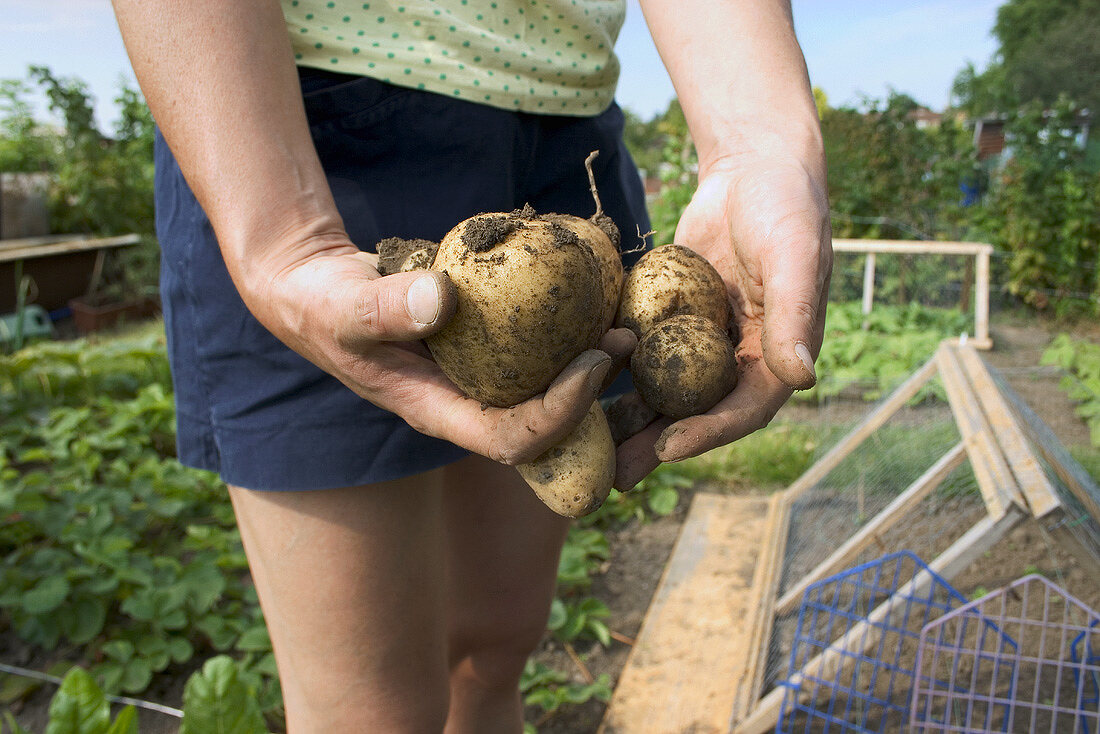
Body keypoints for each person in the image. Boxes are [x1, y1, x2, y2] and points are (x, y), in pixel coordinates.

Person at [110, 0, 832, 731]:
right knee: (369, 711)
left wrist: (754, 145)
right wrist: (280, 235)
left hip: (565, 125)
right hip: (297, 128)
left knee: (497, 646)